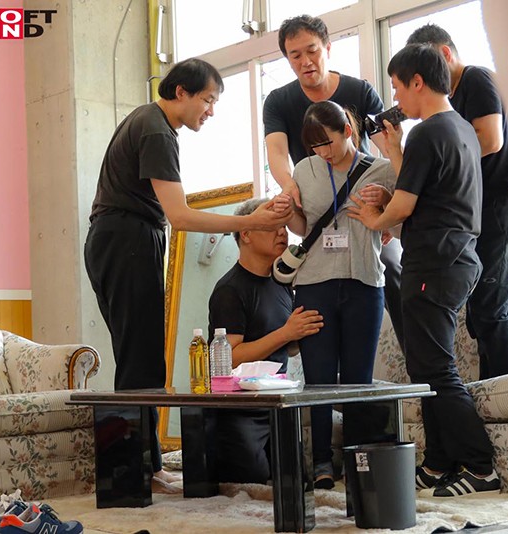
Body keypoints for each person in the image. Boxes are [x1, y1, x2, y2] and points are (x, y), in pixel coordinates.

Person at [84, 58, 291, 492]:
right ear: (181, 92)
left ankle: (144, 467)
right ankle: (136, 471)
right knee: (140, 359)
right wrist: (250, 221)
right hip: (127, 240)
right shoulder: (157, 130)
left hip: (121, 238)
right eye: (208, 100)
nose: (210, 111)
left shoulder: (147, 121)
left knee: (139, 355)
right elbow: (179, 216)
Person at [348, 44, 499, 496]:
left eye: (397, 87)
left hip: (435, 261)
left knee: (435, 369)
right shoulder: (460, 128)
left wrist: (374, 219)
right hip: (455, 258)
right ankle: (437, 462)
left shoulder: (429, 132)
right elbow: (421, 187)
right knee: (425, 370)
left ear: (417, 82)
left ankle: (481, 468)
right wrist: (394, 152)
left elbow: (404, 205)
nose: (395, 97)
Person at [263, 15, 407, 352]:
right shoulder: (279, 101)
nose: (305, 61)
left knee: (394, 269)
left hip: (363, 204)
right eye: (295, 55)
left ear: (327, 48)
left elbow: (388, 147)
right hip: (315, 208)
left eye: (311, 50)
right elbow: (277, 152)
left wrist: (390, 207)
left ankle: (417, 359)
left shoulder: (359, 91)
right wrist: (290, 187)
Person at [274, 100, 396, 489]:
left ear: (347, 130)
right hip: (314, 283)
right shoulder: (304, 170)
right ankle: (322, 463)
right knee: (319, 379)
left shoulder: (381, 169)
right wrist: (288, 212)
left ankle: (359, 462)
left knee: (359, 380)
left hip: (364, 281)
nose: (322, 152)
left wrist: (385, 205)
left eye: (327, 142)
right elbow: (303, 226)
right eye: (314, 146)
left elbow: (398, 223)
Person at [407, 24, 508, 380]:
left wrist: (443, 165)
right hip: (480, 209)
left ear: (446, 54)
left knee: (489, 306)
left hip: (506, 202)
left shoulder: (476, 78)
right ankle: (492, 392)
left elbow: (491, 139)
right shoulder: (448, 103)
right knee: (479, 311)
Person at [207, 198, 324, 483]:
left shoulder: (282, 284)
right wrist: (286, 333)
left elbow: (287, 349)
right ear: (246, 233)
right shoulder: (229, 290)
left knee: (296, 482)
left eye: (284, 226)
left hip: (277, 404)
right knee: (252, 483)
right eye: (273, 226)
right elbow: (229, 357)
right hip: (240, 409)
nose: (283, 232)